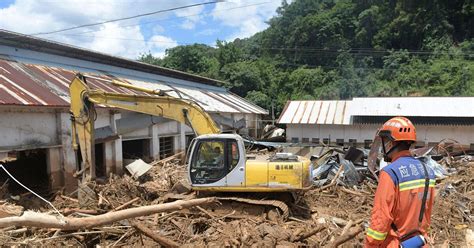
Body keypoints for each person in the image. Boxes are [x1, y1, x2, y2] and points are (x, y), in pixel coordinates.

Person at [365, 117, 436, 247]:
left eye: (385, 141)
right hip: (419, 243)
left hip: (396, 243)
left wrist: (371, 244)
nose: (383, 146)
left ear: (391, 143)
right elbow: (427, 213)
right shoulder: (428, 172)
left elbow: (380, 219)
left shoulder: (390, 173)